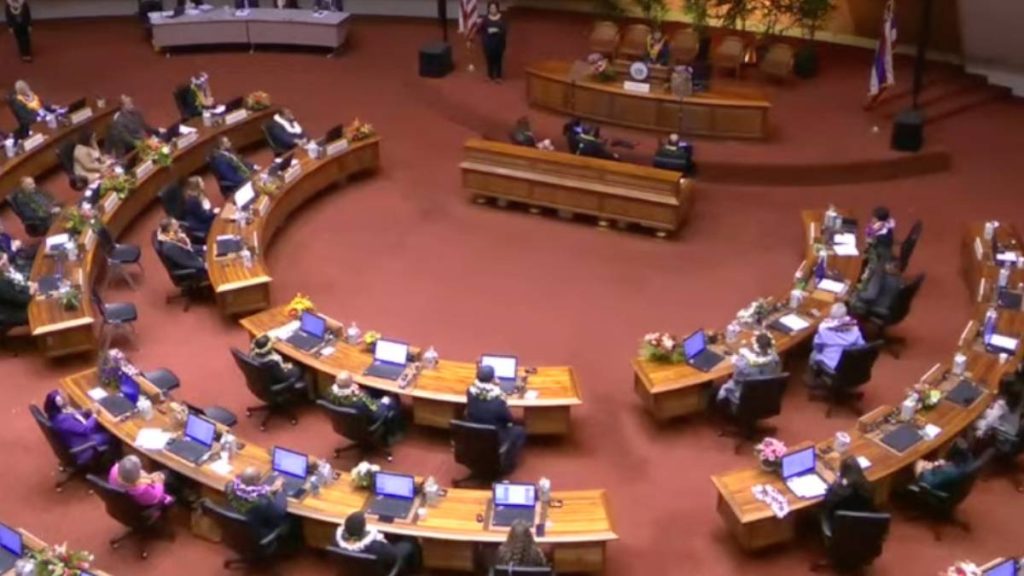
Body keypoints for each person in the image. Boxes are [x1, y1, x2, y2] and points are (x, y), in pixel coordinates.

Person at [465, 364, 526, 472]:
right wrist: (498, 387)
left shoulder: (470, 392)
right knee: (519, 430)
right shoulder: (498, 400)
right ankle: (507, 464)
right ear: (493, 379)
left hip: (473, 434)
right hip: (495, 437)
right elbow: (509, 420)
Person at [42, 390, 115, 467]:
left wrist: (85, 411)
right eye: (63, 397)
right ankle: (111, 463)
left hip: (76, 439)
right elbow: (86, 429)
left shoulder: (56, 414)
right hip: (84, 444)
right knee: (112, 435)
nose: (66, 397)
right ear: (60, 403)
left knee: (100, 427)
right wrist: (94, 415)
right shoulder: (63, 420)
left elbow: (73, 414)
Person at [225, 466, 297, 543]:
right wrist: (280, 491)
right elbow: (280, 511)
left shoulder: (229, 485)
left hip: (241, 517)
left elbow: (254, 492)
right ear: (256, 481)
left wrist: (270, 490)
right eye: (260, 477)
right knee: (292, 519)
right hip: (261, 529)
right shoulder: (262, 501)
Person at [334, 511, 421, 574]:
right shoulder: (376, 546)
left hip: (352, 571)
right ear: (363, 529)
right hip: (376, 571)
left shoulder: (336, 543)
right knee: (410, 542)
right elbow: (393, 557)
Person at [716, 332, 781, 413]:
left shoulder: (744, 365)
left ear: (756, 346)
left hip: (742, 398)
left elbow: (736, 379)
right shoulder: (775, 360)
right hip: (764, 397)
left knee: (722, 387)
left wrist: (739, 358)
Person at [327, 371, 402, 441]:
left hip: (345, 423)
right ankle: (393, 432)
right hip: (367, 422)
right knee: (392, 398)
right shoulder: (361, 399)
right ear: (352, 384)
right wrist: (385, 401)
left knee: (371, 391)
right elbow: (377, 410)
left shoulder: (329, 393)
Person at [975, 372, 1023, 455]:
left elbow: (990, 422)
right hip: (1013, 426)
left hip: (1005, 434)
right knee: (983, 413)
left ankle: (973, 450)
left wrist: (982, 431)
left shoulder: (1002, 404)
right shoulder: (1018, 398)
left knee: (974, 422)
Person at [821, 457, 875, 530]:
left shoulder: (838, 491)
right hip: (861, 523)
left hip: (838, 525)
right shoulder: (867, 487)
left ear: (842, 472)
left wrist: (835, 483)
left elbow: (826, 503)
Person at [810, 303, 866, 373]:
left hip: (831, 365)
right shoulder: (854, 328)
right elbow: (862, 346)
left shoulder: (824, 329)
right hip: (849, 365)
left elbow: (817, 347)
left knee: (813, 354)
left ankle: (814, 375)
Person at [108, 454, 175, 507]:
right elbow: (156, 498)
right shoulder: (142, 490)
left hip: (123, 500)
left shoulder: (115, 469)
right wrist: (159, 483)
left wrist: (148, 477)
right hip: (145, 502)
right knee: (168, 475)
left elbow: (131, 476)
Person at [0, 251, 33, 328]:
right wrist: (31, 290)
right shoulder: (1, 283)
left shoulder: (3, 275)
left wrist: (29, 287)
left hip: (16, 307)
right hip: (13, 316)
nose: (3, 262)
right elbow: (22, 300)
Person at [181, 176, 218, 241]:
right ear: (196, 186)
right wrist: (214, 212)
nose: (203, 183)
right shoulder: (193, 201)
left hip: (203, 216)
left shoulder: (200, 194)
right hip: (199, 224)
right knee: (218, 222)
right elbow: (203, 217)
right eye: (201, 182)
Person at [479, 2, 507, 83]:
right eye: (491, 8)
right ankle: (490, 75)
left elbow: (505, 30)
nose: (492, 10)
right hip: (488, 42)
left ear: (497, 8)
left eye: (494, 8)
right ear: (488, 9)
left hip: (499, 42)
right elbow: (481, 30)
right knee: (489, 59)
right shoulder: (485, 19)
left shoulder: (502, 19)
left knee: (498, 59)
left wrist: (498, 31)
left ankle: (498, 76)